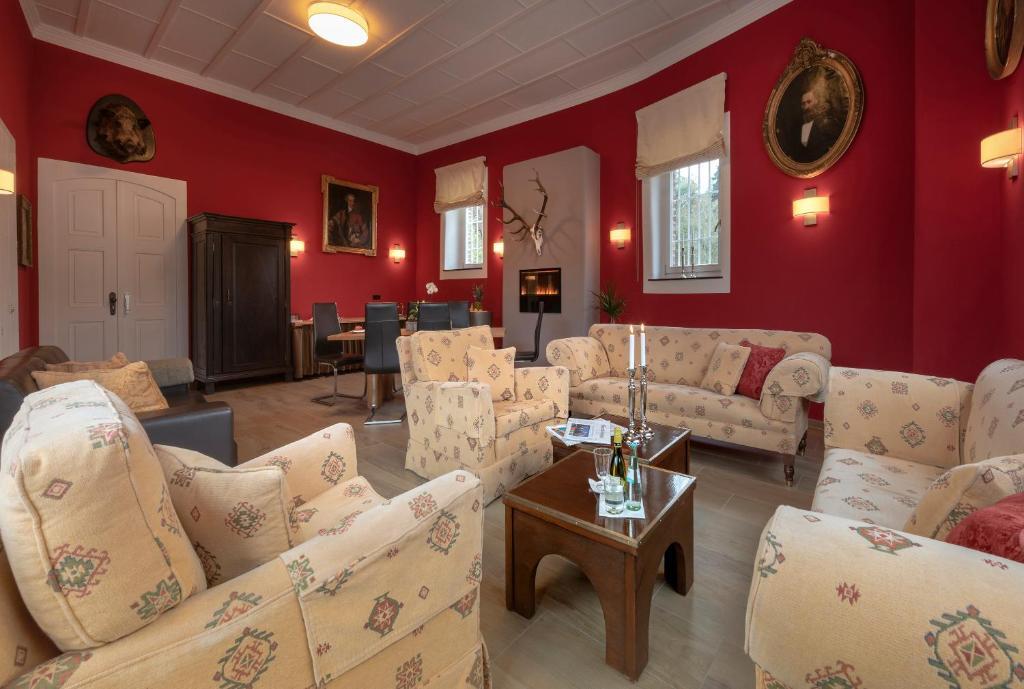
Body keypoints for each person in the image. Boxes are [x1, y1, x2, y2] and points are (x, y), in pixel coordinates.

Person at [784, 77, 842, 163]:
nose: (806, 107)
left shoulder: (827, 123)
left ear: (816, 101)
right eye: (803, 104)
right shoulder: (800, 127)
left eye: (809, 102)